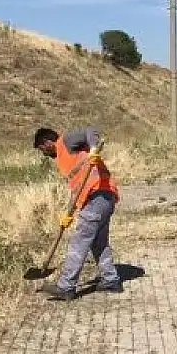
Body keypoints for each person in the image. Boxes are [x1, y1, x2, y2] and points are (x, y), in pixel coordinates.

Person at [33, 126, 122, 301]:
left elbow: (91, 131)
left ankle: (66, 286)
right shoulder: (66, 158)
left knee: (78, 242)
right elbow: (76, 188)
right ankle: (111, 279)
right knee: (99, 243)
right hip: (104, 197)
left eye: (42, 149)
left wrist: (94, 148)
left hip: (97, 196)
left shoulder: (65, 141)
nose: (43, 153)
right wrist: (68, 214)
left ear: (48, 142)